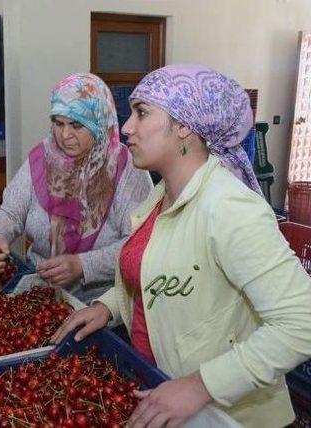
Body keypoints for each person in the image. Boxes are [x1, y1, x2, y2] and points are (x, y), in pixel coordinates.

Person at [52, 65, 311, 427]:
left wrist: (202, 385)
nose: (127, 127)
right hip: (159, 386)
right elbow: (162, 271)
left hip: (227, 415)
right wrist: (109, 307)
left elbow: (301, 323)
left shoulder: (229, 208)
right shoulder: (162, 197)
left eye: (142, 113)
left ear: (184, 126)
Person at [0, 73, 153, 303]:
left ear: (100, 124)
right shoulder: (43, 158)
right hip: (38, 292)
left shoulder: (128, 170)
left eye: (76, 125)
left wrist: (83, 265)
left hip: (100, 305)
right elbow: (11, 211)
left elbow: (138, 244)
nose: (65, 135)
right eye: (58, 123)